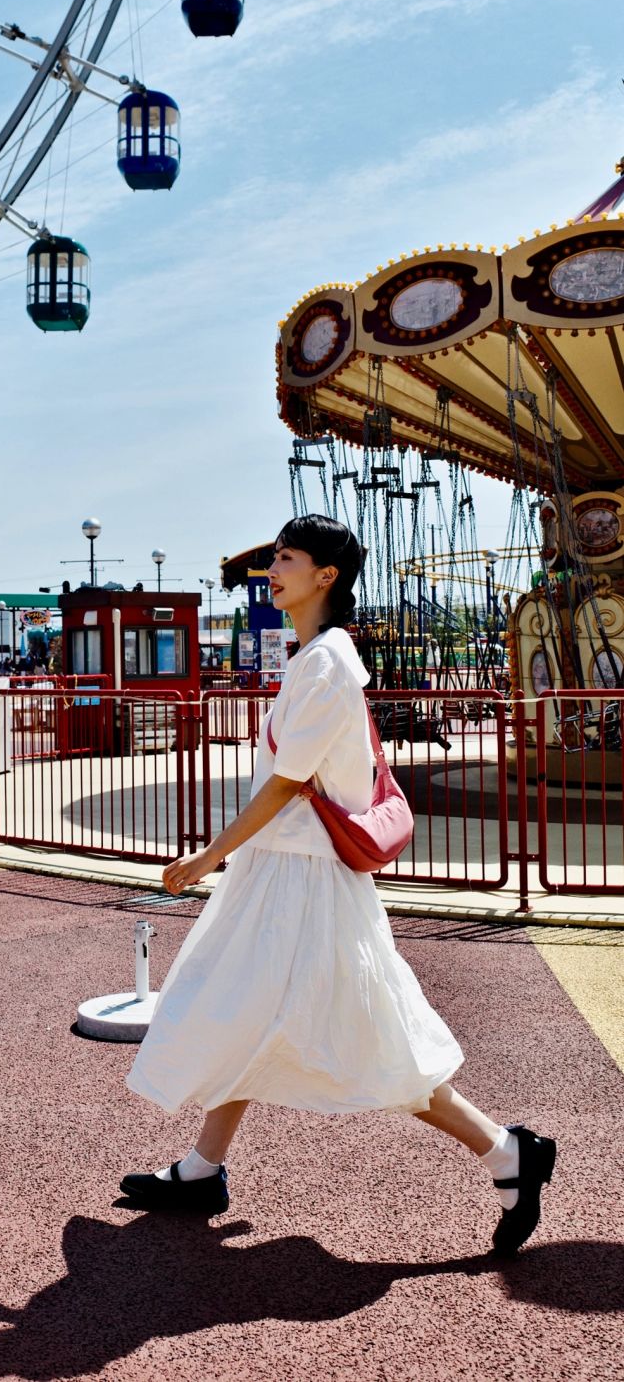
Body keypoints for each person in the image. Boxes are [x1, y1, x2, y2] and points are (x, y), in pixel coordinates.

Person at [120, 514, 556, 1258]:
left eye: (287, 558)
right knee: (238, 1013)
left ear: (326, 575)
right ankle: (202, 1168)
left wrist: (207, 855)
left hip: (304, 882)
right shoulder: (316, 659)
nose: (272, 570)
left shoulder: (326, 665)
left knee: (366, 1039)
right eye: (275, 558)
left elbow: (288, 787)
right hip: (285, 875)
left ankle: (505, 1150)